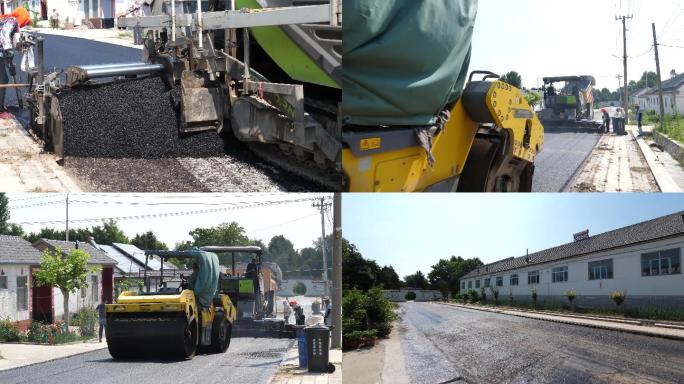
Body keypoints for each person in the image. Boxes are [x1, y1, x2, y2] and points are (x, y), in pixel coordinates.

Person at [0, 8, 30, 112]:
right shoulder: (12, 21)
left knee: (3, 78)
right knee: (2, 79)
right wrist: (10, 53)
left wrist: (10, 64)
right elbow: (4, 37)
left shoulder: (5, 20)